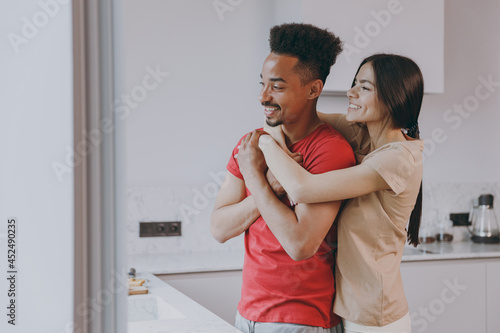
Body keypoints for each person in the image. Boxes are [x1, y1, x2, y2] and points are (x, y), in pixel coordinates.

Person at [238, 53, 424, 333]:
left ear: (393, 98)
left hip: (374, 316)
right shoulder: (362, 135)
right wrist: (274, 106)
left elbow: (302, 188)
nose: (350, 92)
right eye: (354, 83)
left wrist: (259, 154)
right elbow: (285, 115)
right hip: (345, 307)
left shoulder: (398, 158)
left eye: (364, 87)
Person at [210, 23, 356, 333]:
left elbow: (300, 244)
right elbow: (219, 228)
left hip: (300, 320)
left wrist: (255, 177)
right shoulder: (252, 145)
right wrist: (269, 189)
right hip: (247, 313)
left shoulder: (330, 151)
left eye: (277, 86)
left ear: (313, 89)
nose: (263, 96)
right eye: (262, 83)